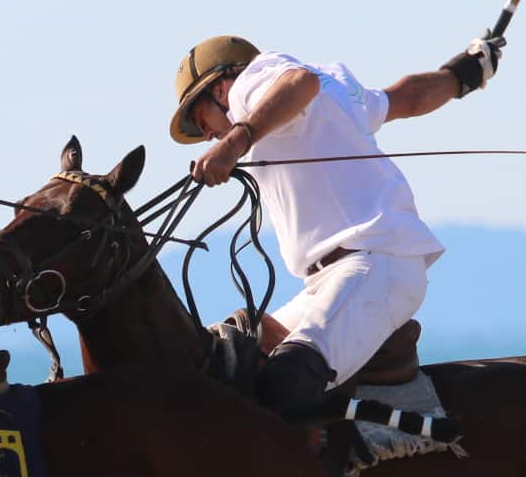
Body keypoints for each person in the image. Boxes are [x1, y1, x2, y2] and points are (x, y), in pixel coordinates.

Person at [169, 31, 505, 418]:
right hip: (330, 281)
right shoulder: (338, 87)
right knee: (231, 364)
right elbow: (407, 98)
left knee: (285, 383)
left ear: (222, 89)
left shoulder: (252, 85)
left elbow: (300, 82)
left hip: (374, 264)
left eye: (200, 120)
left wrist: (235, 141)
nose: (208, 135)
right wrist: (464, 73)